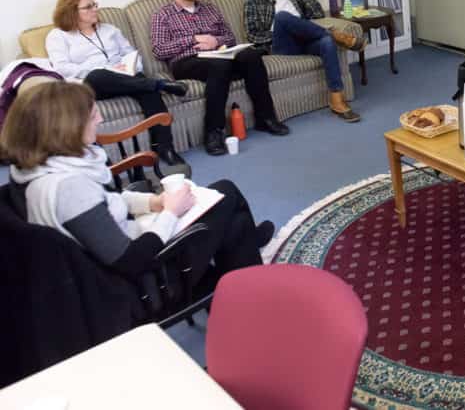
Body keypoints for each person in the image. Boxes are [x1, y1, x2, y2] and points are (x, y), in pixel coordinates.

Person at [2, 82, 274, 290]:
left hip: (127, 249)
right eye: (93, 115)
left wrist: (152, 203)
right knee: (227, 198)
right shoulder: (69, 189)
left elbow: (107, 201)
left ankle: (243, 254)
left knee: (233, 222)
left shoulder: (39, 168)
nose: (100, 120)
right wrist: (170, 212)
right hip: (141, 281)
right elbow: (130, 261)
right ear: (66, 127)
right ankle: (246, 273)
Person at [151, 0, 289, 156]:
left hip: (219, 55)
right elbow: (159, 50)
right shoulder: (163, 15)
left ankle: (265, 118)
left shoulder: (209, 8)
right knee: (220, 66)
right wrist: (194, 39)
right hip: (187, 61)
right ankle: (213, 132)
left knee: (251, 55)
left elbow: (229, 37)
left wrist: (216, 41)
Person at [45, 0, 188, 169]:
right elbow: (62, 67)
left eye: (95, 4)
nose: (95, 9)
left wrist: (130, 66)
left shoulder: (110, 30)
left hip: (124, 77)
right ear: (72, 11)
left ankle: (165, 148)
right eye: (88, 7)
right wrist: (104, 69)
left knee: (148, 91)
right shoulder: (59, 36)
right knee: (98, 75)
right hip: (92, 85)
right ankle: (160, 85)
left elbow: (131, 54)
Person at [244, 0, 363, 122]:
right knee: (282, 17)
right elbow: (252, 35)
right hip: (281, 45)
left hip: (305, 40)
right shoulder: (254, 3)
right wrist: (279, 32)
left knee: (326, 42)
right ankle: (338, 36)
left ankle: (337, 100)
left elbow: (318, 13)